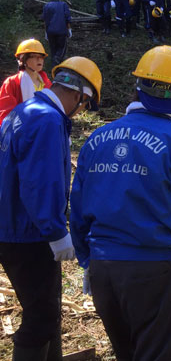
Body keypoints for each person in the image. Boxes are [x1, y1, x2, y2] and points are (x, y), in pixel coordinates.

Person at [69, 45, 171, 361]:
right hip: (153, 273)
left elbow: (78, 206)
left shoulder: (97, 139)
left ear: (137, 86)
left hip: (103, 270)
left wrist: (87, 259)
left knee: (126, 353)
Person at [0, 56, 102, 360]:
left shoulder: (22, 112)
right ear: (78, 95)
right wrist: (56, 232)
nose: (80, 111)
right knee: (41, 318)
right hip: (28, 234)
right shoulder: (47, 120)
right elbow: (41, 182)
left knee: (46, 310)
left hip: (12, 225)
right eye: (83, 105)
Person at [0, 39, 51, 124]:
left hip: (44, 131)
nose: (39, 59)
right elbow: (6, 115)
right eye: (33, 56)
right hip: (20, 133)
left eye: (41, 56)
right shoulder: (12, 82)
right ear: (22, 60)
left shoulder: (47, 83)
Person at [43, 0, 71, 66]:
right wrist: (69, 29)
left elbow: (45, 20)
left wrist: (46, 32)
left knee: (53, 49)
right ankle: (58, 61)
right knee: (61, 49)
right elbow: (67, 18)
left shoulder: (46, 6)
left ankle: (54, 67)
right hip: (61, 31)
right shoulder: (63, 5)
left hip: (50, 31)